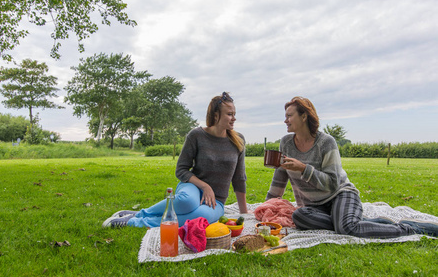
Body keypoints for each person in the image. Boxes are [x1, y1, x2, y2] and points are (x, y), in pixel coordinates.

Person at [266, 96, 438, 238]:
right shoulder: (286, 143)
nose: (285, 120)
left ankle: (409, 228)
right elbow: (280, 176)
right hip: (313, 206)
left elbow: (333, 183)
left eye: (289, 116)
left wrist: (304, 169)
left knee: (347, 229)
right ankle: (351, 220)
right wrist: (267, 206)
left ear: (304, 116)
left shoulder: (326, 142)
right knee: (299, 216)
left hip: (340, 195)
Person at [103, 92, 249, 228]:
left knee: (200, 216)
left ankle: (136, 221)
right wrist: (204, 186)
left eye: (234, 114)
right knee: (187, 202)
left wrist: (244, 214)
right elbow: (181, 170)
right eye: (230, 114)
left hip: (216, 200)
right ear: (216, 115)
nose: (234, 118)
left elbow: (239, 178)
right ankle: (142, 213)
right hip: (192, 187)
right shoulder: (196, 135)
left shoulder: (238, 140)